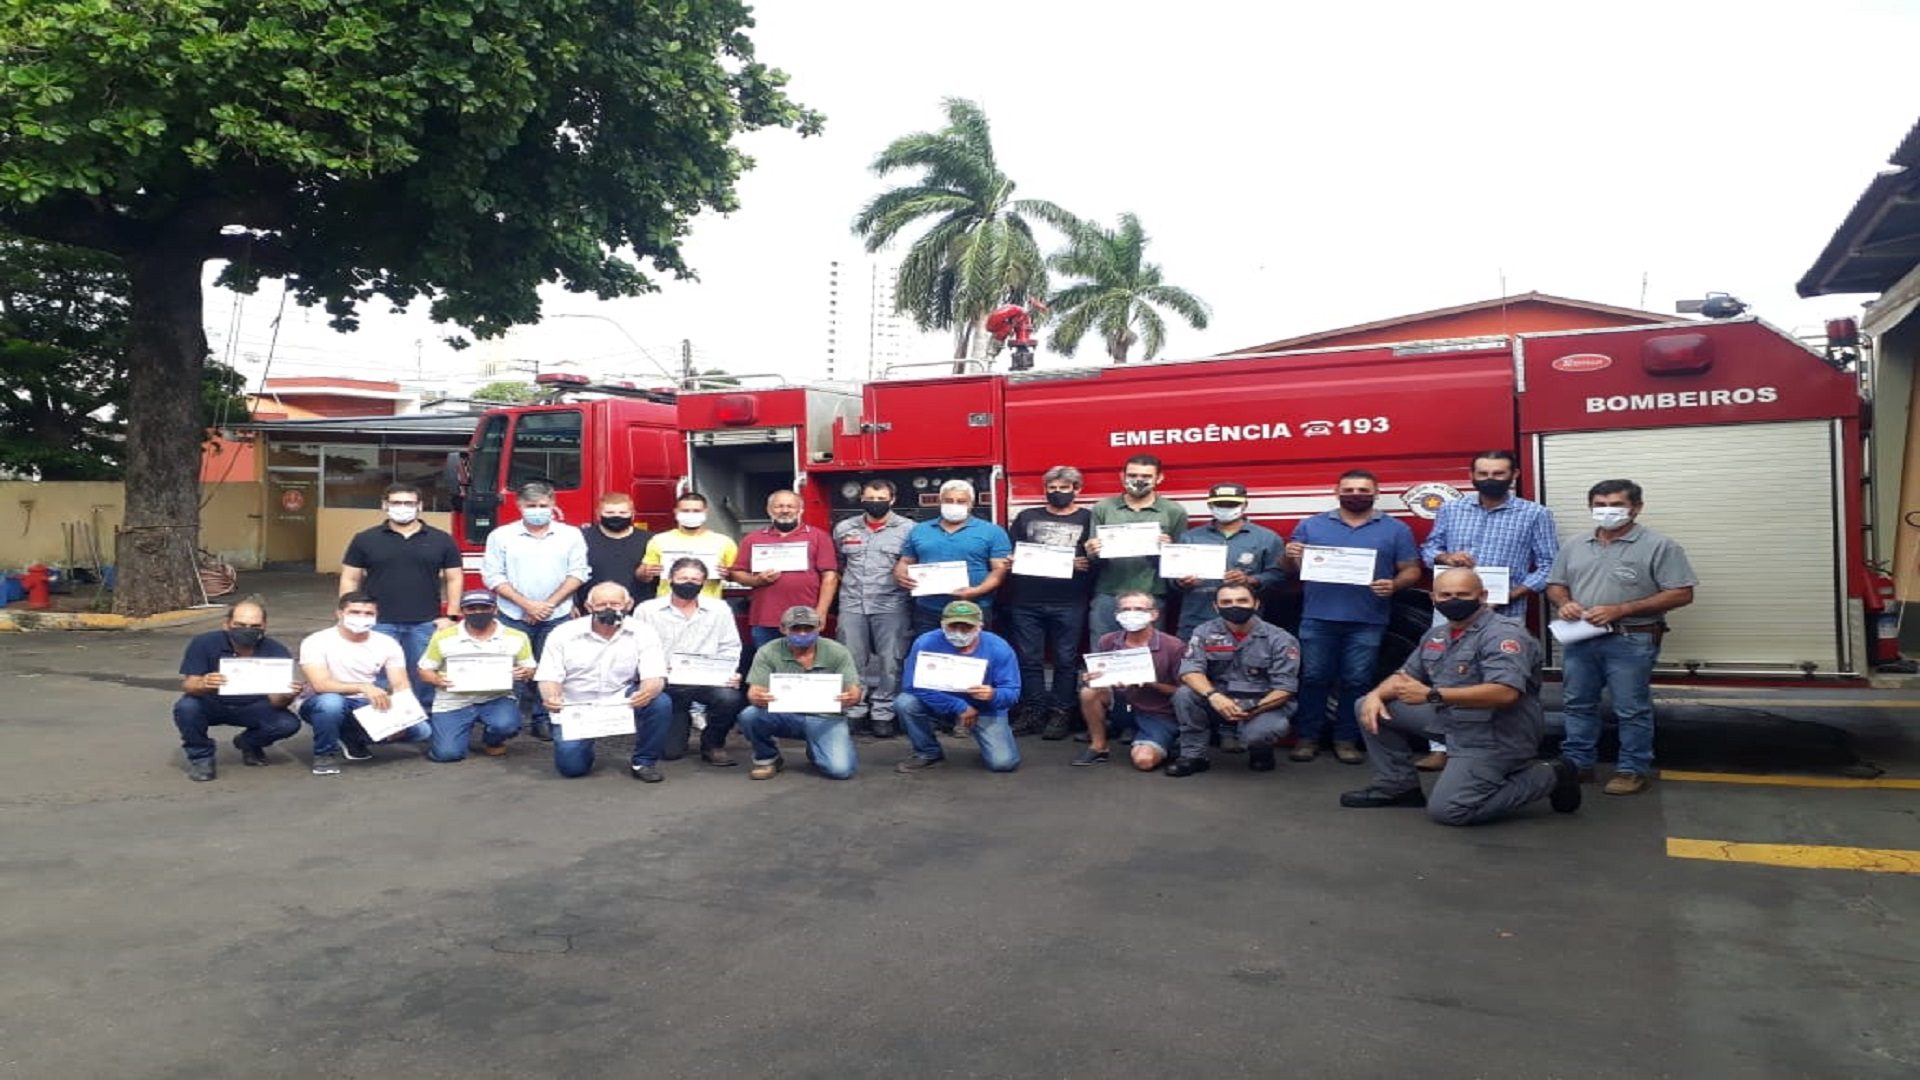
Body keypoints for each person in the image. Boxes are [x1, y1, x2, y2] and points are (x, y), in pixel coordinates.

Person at [1340, 568, 1582, 824]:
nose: (1454, 600)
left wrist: (1433, 695)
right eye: (1445, 595)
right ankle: (1398, 786)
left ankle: (1550, 774)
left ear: (1483, 596)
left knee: (1451, 811)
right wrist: (1376, 695)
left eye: (1463, 594)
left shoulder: (1504, 635)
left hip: (1496, 735)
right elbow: (1404, 677)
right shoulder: (1437, 635)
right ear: (1433, 598)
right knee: (1366, 705)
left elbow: (1505, 693)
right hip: (1453, 721)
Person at [1545, 479, 1697, 796]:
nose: (1607, 511)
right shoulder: (1575, 545)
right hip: (1581, 638)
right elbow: (1555, 584)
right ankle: (1577, 764)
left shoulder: (1659, 546)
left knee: (1631, 708)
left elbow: (1681, 593)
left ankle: (1631, 769)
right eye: (1600, 505)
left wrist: (1623, 609)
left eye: (1616, 505)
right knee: (1577, 704)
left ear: (1636, 507)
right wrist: (1564, 603)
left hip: (1631, 638)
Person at [1416, 450, 1560, 771]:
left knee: (1501, 680)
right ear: (1472, 476)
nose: (1490, 479)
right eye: (1483, 473)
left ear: (1514, 475)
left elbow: (1550, 564)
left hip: (1504, 611)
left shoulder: (1535, 514)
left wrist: (1514, 593)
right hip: (1451, 609)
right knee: (1442, 675)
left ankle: (1501, 747)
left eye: (1498, 473)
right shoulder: (1452, 509)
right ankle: (1441, 746)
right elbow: (1428, 549)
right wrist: (1446, 558)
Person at [1283, 470, 1421, 764]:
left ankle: (1346, 739)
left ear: (1376, 492)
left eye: (1362, 489)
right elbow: (1290, 569)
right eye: (1349, 489)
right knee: (1313, 678)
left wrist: (1395, 584)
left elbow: (1411, 569)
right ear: (1337, 491)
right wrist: (1289, 554)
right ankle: (1307, 738)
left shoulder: (1396, 529)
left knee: (1357, 681)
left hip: (1368, 619)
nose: (1355, 494)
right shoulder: (1311, 525)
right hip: (1318, 617)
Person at [481, 481, 589, 742]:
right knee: (513, 669)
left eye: (543, 505)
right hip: (513, 615)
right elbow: (493, 576)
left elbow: (578, 573)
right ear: (519, 506)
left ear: (553, 506)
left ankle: (544, 718)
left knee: (551, 670)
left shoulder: (571, 535)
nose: (538, 510)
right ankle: (508, 719)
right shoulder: (500, 536)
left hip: (557, 614)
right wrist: (527, 605)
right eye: (531, 506)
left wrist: (547, 605)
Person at [338, 482, 462, 711]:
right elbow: (350, 578)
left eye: (409, 503)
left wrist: (452, 617)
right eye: (396, 502)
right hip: (378, 623)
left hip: (425, 623)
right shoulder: (365, 539)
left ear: (419, 506)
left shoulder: (441, 539)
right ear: (385, 506)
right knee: (378, 679)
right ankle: (380, 729)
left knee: (423, 678)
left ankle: (423, 728)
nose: (402, 507)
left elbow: (454, 578)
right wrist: (348, 613)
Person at [535, 582, 674, 781]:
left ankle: (644, 761)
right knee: (572, 768)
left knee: (660, 702)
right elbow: (549, 676)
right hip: (576, 704)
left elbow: (655, 674)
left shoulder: (644, 632)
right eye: (601, 604)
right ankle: (584, 744)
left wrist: (646, 692)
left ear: (629, 605)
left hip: (620, 697)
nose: (609, 608)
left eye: (615, 603)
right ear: (589, 607)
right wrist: (552, 697)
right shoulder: (563, 634)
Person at [1166, 583, 1300, 776]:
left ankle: (1261, 750)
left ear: (1256, 604)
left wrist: (1253, 709)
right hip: (1218, 699)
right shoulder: (1203, 632)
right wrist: (1214, 696)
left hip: (1262, 702)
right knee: (1184, 695)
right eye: (1226, 602)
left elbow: (1285, 688)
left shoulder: (1280, 638)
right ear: (1216, 607)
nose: (1234, 606)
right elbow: (1190, 671)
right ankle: (1193, 756)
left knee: (1261, 732)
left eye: (1242, 600)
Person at [297, 592, 432, 776]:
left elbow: (400, 684)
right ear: (339, 614)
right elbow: (321, 685)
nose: (361, 618)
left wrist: (400, 719)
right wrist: (363, 687)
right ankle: (325, 754)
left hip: (365, 703)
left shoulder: (386, 643)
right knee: (331, 704)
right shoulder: (316, 641)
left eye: (368, 614)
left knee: (420, 731)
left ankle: (351, 737)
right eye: (355, 612)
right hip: (321, 701)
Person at [1004, 465, 1095, 740]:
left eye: (1063, 488)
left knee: (1066, 661)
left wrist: (1087, 562)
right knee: (1029, 660)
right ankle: (1034, 711)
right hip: (1026, 600)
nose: (1056, 493)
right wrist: (1011, 561)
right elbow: (1011, 552)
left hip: (1070, 602)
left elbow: (1100, 557)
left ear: (1077, 490)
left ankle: (1061, 713)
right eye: (1052, 488)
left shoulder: (1089, 519)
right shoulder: (1026, 516)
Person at [171, 595, 302, 781]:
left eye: (255, 627)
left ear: (264, 626)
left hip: (253, 706)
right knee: (186, 707)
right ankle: (201, 758)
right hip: (212, 702)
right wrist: (204, 683)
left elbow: (276, 701)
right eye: (240, 625)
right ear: (227, 624)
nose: (247, 630)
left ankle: (249, 743)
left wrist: (288, 695)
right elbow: (189, 685)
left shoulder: (275, 650)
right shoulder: (204, 643)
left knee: (287, 724)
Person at [636, 557, 746, 766]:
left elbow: (730, 646)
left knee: (730, 697)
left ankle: (713, 744)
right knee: (670, 752)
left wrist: (728, 673)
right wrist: (655, 672)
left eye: (695, 579)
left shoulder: (720, 609)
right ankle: (680, 722)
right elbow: (638, 648)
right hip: (668, 682)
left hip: (707, 679)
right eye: (683, 578)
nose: (689, 583)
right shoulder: (647, 610)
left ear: (704, 583)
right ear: (670, 579)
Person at [894, 600, 1023, 773]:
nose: (959, 633)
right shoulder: (925, 642)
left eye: (966, 628)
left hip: (983, 708)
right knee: (905, 703)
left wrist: (993, 694)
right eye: (953, 627)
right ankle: (928, 752)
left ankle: (988, 742)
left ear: (980, 627)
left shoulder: (998, 648)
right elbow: (911, 686)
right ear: (942, 625)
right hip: (939, 702)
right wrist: (959, 706)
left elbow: (1012, 692)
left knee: (1003, 763)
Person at [738, 605, 865, 780]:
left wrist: (852, 697)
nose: (803, 633)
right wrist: (758, 697)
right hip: (784, 716)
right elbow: (754, 693)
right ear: (783, 629)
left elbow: (854, 690)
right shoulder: (767, 651)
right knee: (750, 715)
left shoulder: (838, 651)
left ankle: (816, 749)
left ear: (820, 627)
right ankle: (767, 758)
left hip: (825, 719)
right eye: (796, 629)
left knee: (840, 770)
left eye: (809, 628)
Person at [832, 479, 915, 739]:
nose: (875, 503)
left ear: (893, 499)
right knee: (851, 660)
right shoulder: (845, 528)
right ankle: (855, 709)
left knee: (891, 661)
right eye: (870, 498)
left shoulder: (909, 529)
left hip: (892, 604)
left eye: (881, 499)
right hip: (852, 603)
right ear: (861, 499)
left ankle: (883, 712)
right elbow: (840, 562)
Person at [415, 590, 536, 763]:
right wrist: (437, 679)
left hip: (497, 698)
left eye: (484, 607)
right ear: (463, 612)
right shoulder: (443, 637)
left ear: (495, 610)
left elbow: (530, 667)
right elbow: (423, 670)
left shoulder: (517, 637)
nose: (478, 612)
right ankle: (454, 735)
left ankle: (492, 739)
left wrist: (526, 672)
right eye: (471, 608)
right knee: (447, 755)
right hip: (453, 701)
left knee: (506, 725)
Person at [1074, 591, 1188, 771]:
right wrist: (1092, 678)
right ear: (1117, 615)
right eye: (1126, 609)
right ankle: (1098, 746)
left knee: (1144, 761)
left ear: (1154, 614)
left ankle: (1167, 742)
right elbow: (1101, 674)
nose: (1132, 613)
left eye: (1139, 609)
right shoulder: (1108, 640)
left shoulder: (1173, 646)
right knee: (1089, 691)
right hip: (1122, 705)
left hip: (1157, 712)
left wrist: (1151, 683)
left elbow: (1183, 692)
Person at [1084, 454, 1189, 640]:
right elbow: (1094, 556)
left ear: (1159, 478)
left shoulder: (1174, 511)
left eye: (1146, 476)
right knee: (1104, 650)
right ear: (1122, 476)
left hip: (1152, 593)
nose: (1138, 480)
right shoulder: (1103, 507)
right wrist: (1092, 550)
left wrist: (1170, 550)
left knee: (1148, 653)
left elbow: (1181, 560)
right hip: (1109, 593)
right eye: (1132, 475)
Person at [894, 479, 1012, 637]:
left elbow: (999, 570)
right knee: (931, 654)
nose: (954, 504)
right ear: (940, 502)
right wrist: (900, 573)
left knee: (972, 656)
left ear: (971, 503)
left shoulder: (993, 532)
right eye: (949, 501)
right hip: (928, 609)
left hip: (973, 608)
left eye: (961, 501)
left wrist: (976, 591)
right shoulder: (919, 530)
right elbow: (906, 561)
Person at [1172, 482, 1284, 637]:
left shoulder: (1267, 538)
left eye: (1231, 504)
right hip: (1196, 619)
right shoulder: (1189, 538)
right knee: (1194, 661)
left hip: (1245, 623)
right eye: (1220, 504)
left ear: (1244, 505)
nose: (1225, 508)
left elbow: (1278, 577)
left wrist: (1251, 580)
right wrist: (1181, 582)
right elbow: (1171, 579)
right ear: (1210, 506)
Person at [731, 489, 839, 650]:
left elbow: (830, 577)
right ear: (769, 510)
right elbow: (736, 573)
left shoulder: (819, 537)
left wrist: (821, 612)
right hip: (765, 618)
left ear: (800, 510)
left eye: (790, 506)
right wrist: (757, 580)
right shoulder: (752, 539)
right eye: (779, 506)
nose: (785, 510)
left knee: (804, 667)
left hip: (805, 618)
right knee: (768, 666)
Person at [639, 491, 738, 600]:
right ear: (676, 512)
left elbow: (738, 576)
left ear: (705, 512)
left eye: (696, 511)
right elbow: (642, 576)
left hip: (708, 606)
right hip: (667, 605)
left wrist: (729, 574)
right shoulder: (659, 540)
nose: (691, 514)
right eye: (685, 511)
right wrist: (646, 572)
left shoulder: (724, 542)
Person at [579, 491, 652, 606]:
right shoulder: (580, 538)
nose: (616, 516)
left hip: (639, 608)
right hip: (592, 608)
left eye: (623, 513)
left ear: (632, 514)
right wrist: (572, 603)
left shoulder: (651, 540)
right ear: (598, 514)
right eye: (609, 512)